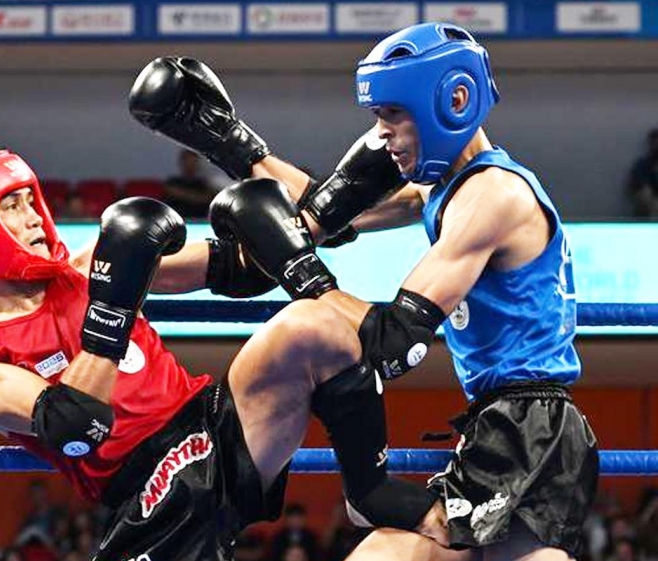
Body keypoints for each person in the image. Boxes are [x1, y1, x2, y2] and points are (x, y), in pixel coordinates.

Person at [129, 21, 598, 561]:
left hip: (532, 427)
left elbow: (395, 342)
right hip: (506, 422)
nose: (382, 135)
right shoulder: (444, 189)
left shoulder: (493, 196)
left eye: (393, 114)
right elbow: (323, 212)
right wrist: (230, 142)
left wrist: (303, 277)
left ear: (455, 101)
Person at [0, 149, 436, 561]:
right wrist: (113, 304)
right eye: (11, 206)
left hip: (219, 426)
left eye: (30, 200)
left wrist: (326, 200)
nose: (33, 218)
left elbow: (242, 266)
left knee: (312, 323)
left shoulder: (91, 265)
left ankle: (369, 490)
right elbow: (74, 424)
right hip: (146, 489)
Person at [163, 149, 218, 219]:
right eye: (189, 161)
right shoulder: (173, 181)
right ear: (182, 162)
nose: (191, 165)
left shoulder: (202, 183)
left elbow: (209, 199)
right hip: (179, 218)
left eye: (194, 162)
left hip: (199, 220)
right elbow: (174, 192)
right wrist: (196, 197)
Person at [625, 128, 658, 219]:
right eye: (655, 144)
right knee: (646, 194)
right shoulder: (642, 164)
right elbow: (637, 182)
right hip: (649, 201)